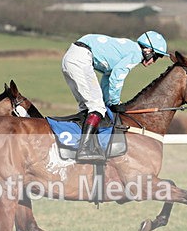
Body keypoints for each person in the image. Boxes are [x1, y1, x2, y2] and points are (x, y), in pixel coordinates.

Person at [61, 31, 168, 162]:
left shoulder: (129, 48)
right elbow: (117, 76)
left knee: (87, 108)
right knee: (97, 108)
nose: (154, 61)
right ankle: (84, 149)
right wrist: (116, 102)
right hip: (81, 58)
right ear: (148, 51)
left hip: (73, 57)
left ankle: (80, 144)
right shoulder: (135, 53)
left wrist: (109, 102)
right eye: (156, 57)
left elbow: (108, 78)